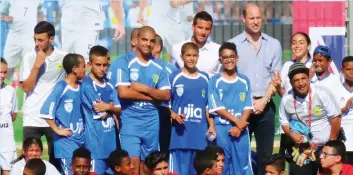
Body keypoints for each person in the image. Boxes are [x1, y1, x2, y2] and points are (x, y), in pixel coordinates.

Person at [228, 3, 282, 174]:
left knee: (265, 157)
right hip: (241, 108)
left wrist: (264, 101)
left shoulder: (273, 44)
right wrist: (248, 103)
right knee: (240, 155)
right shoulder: (233, 45)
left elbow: (276, 79)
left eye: (258, 18)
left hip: (266, 108)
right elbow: (231, 79)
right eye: (252, 18)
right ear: (243, 19)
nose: (256, 21)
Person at [111, 26, 171, 175]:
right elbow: (124, 92)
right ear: (136, 40)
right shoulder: (123, 62)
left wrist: (144, 89)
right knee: (132, 165)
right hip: (130, 121)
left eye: (151, 41)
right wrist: (153, 98)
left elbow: (166, 95)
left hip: (152, 122)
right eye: (144, 39)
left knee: (149, 166)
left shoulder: (159, 66)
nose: (148, 44)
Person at [19, 21, 67, 170]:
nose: (37, 43)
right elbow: (26, 88)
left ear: (51, 39)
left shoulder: (63, 57)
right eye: (35, 39)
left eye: (40, 40)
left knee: (56, 161)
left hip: (53, 118)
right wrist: (37, 65)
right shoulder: (28, 57)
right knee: (29, 161)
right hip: (32, 116)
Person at [279, 62, 341, 174]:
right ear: (291, 83)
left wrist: (331, 143)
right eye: (296, 80)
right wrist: (292, 135)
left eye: (303, 78)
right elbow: (284, 122)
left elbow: (336, 116)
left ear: (309, 78)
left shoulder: (322, 93)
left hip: (325, 147)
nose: (301, 83)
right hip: (303, 148)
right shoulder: (286, 99)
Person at [168, 42, 215, 175]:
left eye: (195, 55)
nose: (192, 58)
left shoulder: (205, 78)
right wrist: (174, 115)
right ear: (182, 57)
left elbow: (208, 106)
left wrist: (211, 125)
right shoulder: (174, 77)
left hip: (200, 139)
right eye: (188, 55)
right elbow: (165, 105)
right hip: (179, 138)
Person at [208, 42, 253, 175]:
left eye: (231, 56)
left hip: (241, 131)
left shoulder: (244, 80)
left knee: (242, 164)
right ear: (221, 60)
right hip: (221, 129)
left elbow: (248, 107)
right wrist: (237, 122)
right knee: (221, 166)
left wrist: (239, 127)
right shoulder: (214, 81)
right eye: (225, 57)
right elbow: (218, 107)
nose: (229, 60)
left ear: (237, 58)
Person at [40, 53, 86, 175]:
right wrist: (57, 130)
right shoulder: (61, 87)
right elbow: (46, 111)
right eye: (83, 66)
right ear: (75, 69)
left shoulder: (82, 86)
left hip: (81, 140)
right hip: (66, 143)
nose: (85, 69)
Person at [81, 46, 121, 175]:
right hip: (95, 147)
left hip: (111, 145)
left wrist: (109, 107)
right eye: (98, 65)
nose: (102, 68)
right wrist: (111, 108)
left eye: (105, 65)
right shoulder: (86, 86)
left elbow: (119, 109)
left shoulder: (109, 84)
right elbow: (100, 113)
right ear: (89, 64)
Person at [276, 32, 312, 157]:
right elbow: (284, 92)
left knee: (309, 160)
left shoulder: (313, 66)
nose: (297, 46)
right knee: (290, 161)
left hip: (309, 124)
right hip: (289, 124)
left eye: (301, 42)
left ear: (309, 46)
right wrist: (277, 87)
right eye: (294, 43)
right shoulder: (287, 65)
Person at [60, 0, 125, 62]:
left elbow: (115, 1)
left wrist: (120, 23)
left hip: (87, 24)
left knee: (83, 63)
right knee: (66, 63)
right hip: (68, 22)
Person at [0, 0, 43, 80]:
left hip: (30, 38)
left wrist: (43, 28)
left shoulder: (39, 1)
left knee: (27, 70)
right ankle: (15, 78)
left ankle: (24, 87)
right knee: (5, 69)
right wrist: (5, 18)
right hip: (14, 37)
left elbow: (40, 13)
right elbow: (1, 14)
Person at [171, 11, 221, 77]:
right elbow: (172, 75)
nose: (203, 32)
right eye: (200, 28)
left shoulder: (218, 50)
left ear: (211, 30)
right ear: (193, 27)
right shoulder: (177, 49)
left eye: (207, 29)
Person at [152, 34, 178, 156]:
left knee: (163, 151)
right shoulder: (141, 67)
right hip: (146, 114)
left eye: (150, 44)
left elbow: (175, 95)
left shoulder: (171, 70)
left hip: (166, 115)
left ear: (157, 47)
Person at [333, 56, 353, 164]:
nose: (352, 72)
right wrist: (344, 108)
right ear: (342, 70)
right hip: (344, 143)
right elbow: (330, 116)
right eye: (348, 69)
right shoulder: (336, 91)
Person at [0, 58, 17, 175]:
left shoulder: (10, 91)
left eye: (5, 72)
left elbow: (14, 115)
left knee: (8, 169)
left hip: (6, 139)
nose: (2, 75)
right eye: (0, 72)